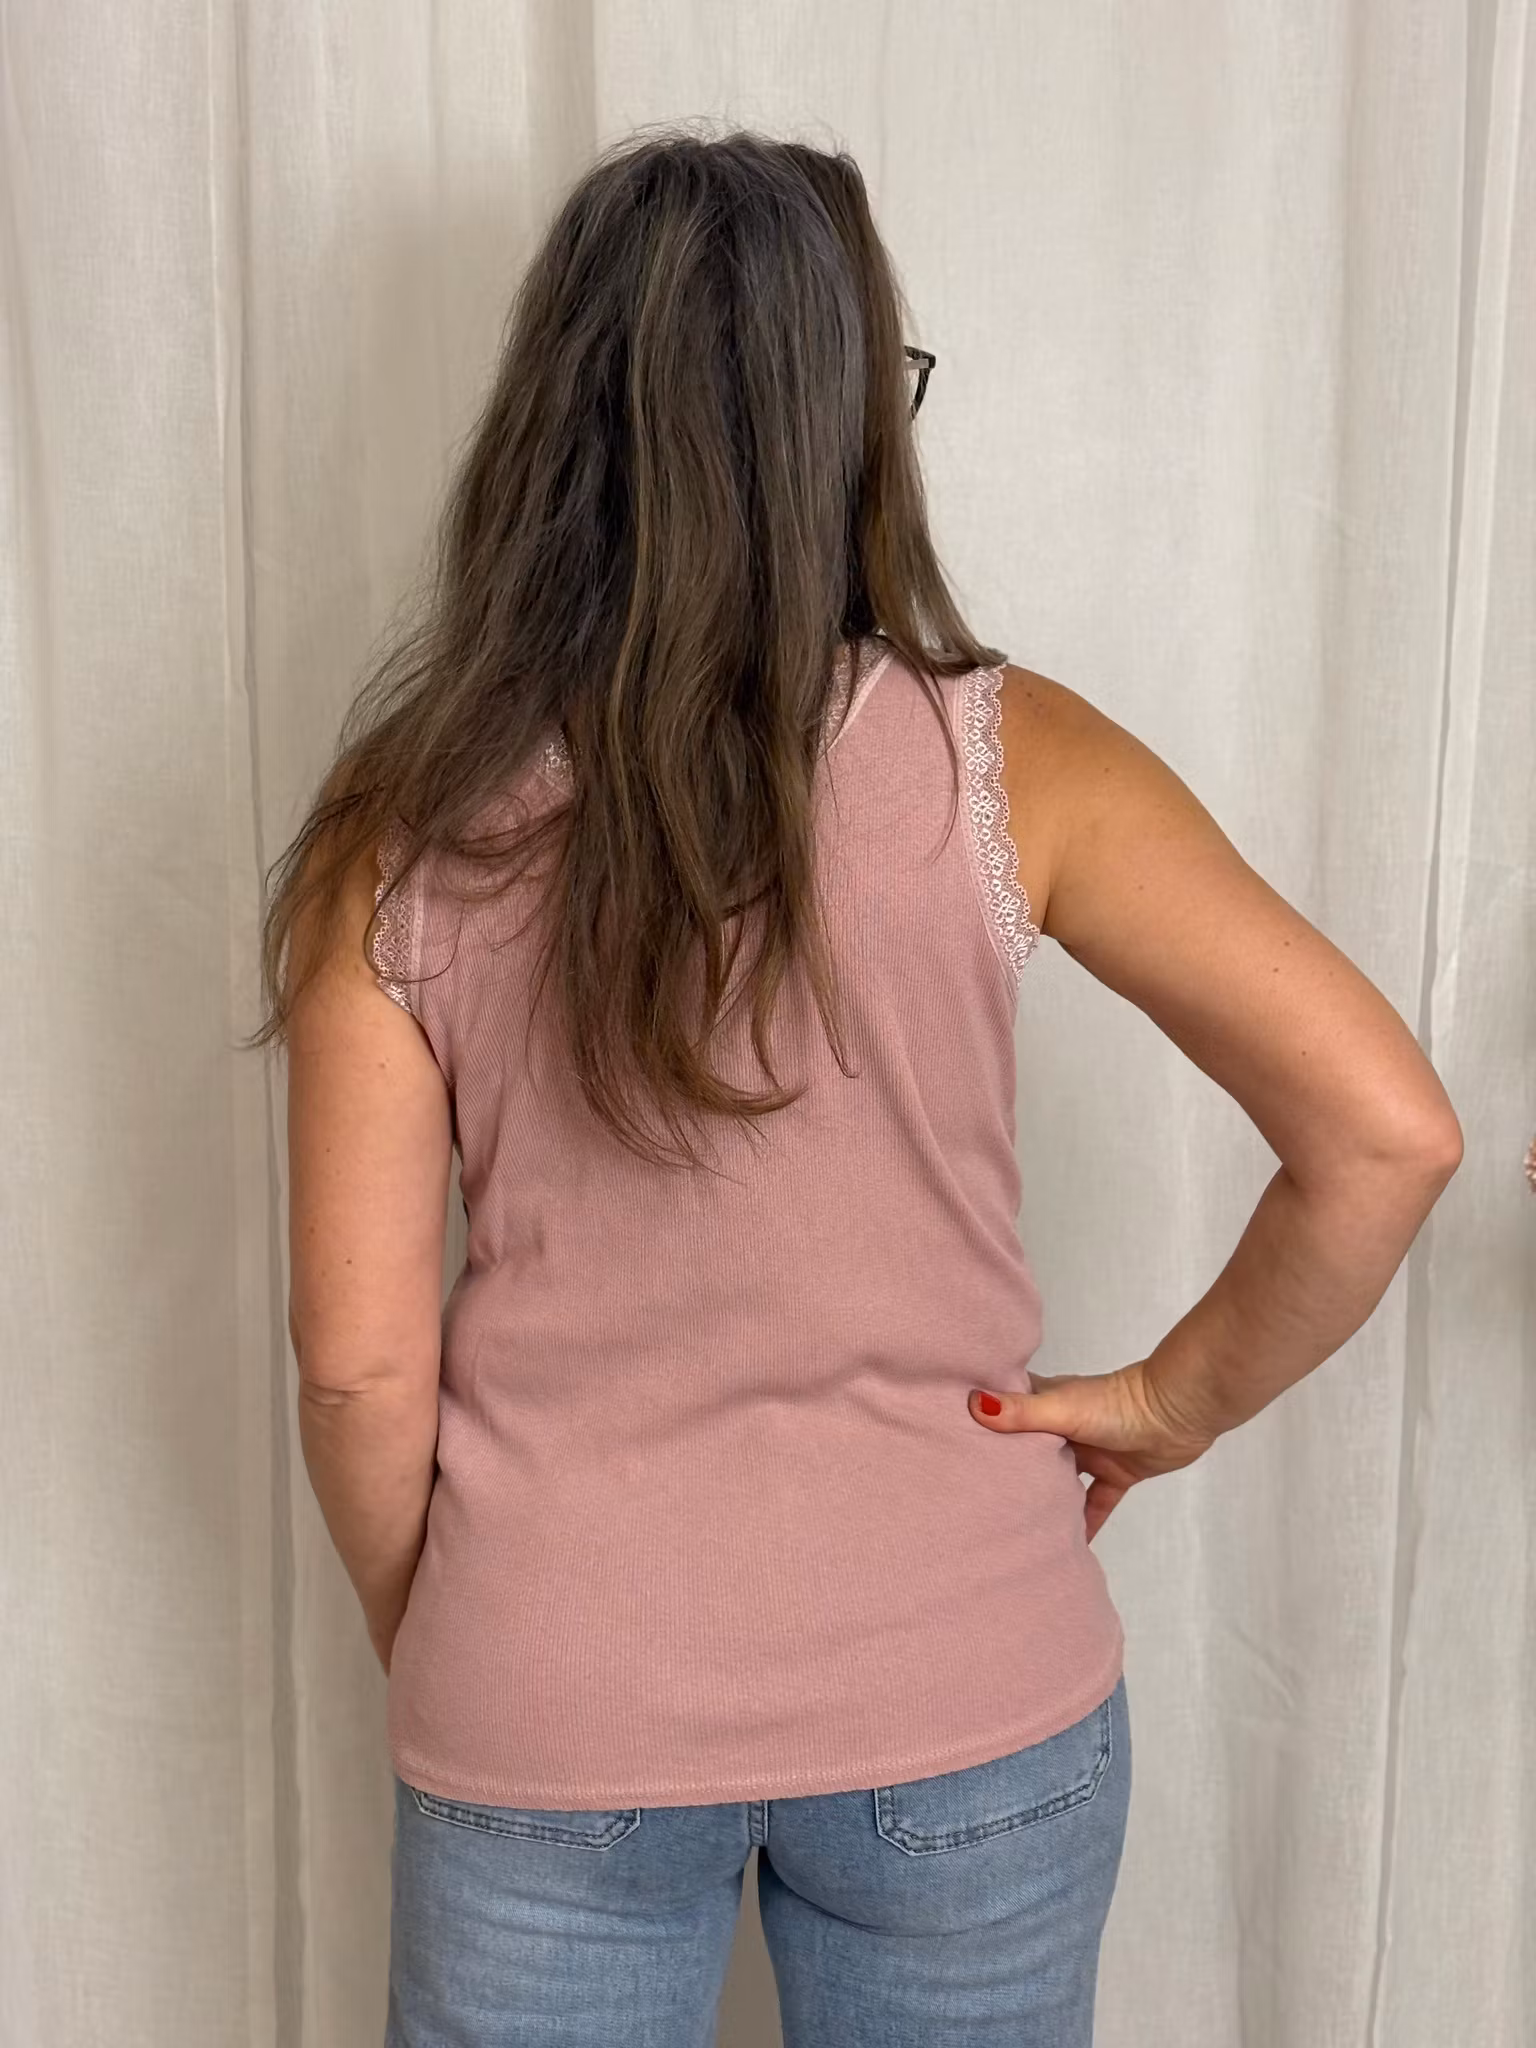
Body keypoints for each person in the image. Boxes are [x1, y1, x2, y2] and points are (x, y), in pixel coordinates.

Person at [252, 124, 1464, 2047]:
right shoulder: (1011, 761)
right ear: (850, 421)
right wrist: (1165, 1408)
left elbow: (354, 1368)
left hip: (551, 1688)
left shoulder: (397, 830)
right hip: (970, 1693)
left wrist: (475, 1636)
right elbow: (1388, 1133)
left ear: (553, 426)